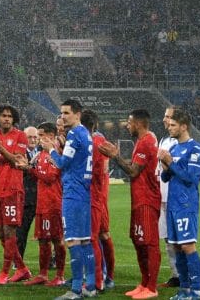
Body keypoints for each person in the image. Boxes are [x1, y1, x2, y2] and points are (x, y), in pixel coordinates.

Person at [99, 108, 160, 300]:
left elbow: (133, 172)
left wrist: (115, 156)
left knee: (149, 243)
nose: (127, 125)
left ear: (139, 123)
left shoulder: (146, 142)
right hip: (139, 199)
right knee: (138, 241)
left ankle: (151, 287)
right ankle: (144, 283)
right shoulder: (143, 141)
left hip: (147, 200)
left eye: (129, 121)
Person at [41, 99, 97, 299]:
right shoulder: (86, 134)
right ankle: (90, 286)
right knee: (85, 241)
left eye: (66, 113)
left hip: (73, 192)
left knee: (73, 240)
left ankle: (75, 290)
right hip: (83, 191)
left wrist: (50, 151)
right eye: (61, 113)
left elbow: (63, 162)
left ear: (77, 114)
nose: (63, 117)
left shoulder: (74, 134)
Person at [158, 110, 200, 300]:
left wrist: (171, 163)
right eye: (169, 125)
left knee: (188, 247)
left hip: (186, 204)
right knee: (177, 247)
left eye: (172, 125)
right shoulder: (174, 149)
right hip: (172, 205)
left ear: (184, 126)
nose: (169, 128)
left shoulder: (195, 149)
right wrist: (165, 164)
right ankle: (184, 290)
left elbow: (192, 179)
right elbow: (165, 177)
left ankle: (195, 291)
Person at [0, 104, 31, 284]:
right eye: (3, 116)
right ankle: (21, 268)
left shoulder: (20, 136)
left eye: (10, 116)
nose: (6, 118)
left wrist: (0, 148)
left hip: (13, 189)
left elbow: (17, 161)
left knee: (9, 231)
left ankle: (5, 272)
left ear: (14, 119)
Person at [26, 122, 66, 287]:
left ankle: (60, 275)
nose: (38, 139)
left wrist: (31, 169)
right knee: (43, 239)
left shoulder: (56, 153)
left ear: (50, 136)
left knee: (57, 239)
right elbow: (40, 177)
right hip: (42, 204)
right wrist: (28, 168)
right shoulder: (41, 154)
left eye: (41, 135)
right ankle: (43, 274)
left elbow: (50, 177)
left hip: (54, 204)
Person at [82, 110, 115, 292]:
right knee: (103, 236)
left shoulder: (89, 142)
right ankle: (107, 276)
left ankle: (97, 279)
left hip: (91, 197)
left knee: (91, 238)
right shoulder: (100, 140)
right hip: (101, 196)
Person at [158, 107, 181, 287]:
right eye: (165, 117)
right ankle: (176, 275)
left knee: (181, 239)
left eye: (169, 117)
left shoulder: (181, 144)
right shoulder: (164, 140)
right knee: (167, 238)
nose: (165, 120)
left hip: (176, 196)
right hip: (162, 195)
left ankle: (185, 276)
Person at [16, 125, 39, 261]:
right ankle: (18, 261)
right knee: (21, 231)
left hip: (42, 198)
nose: (33, 140)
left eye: (35, 137)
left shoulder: (43, 151)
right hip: (27, 198)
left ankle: (50, 261)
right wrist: (30, 166)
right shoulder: (19, 152)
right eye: (30, 137)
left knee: (47, 234)